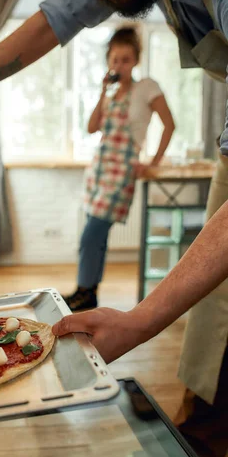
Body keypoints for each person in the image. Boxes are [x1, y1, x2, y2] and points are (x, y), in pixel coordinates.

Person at [0, 0, 228, 457]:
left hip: (128, 175)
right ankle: (201, 434)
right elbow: (51, 20)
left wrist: (137, 322)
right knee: (214, 315)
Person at [63, 26, 174, 312]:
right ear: (108, 62)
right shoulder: (111, 96)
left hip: (122, 172)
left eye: (125, 59)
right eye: (115, 60)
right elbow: (91, 127)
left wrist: (153, 162)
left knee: (90, 235)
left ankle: (83, 290)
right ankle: (89, 293)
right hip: (100, 170)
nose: (119, 65)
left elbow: (169, 124)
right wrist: (102, 90)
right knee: (97, 239)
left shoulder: (146, 88)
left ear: (135, 60)